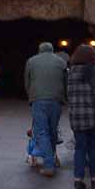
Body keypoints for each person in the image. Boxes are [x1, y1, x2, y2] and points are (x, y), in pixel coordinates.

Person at [68, 45, 95, 189]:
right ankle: (94, 178)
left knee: (80, 148)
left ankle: (78, 179)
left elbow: (70, 95)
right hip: (93, 118)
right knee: (94, 148)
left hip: (76, 118)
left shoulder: (71, 73)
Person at [24, 42, 67, 177]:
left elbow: (27, 81)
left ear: (40, 50)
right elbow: (65, 81)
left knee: (42, 131)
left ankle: (49, 165)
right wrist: (64, 97)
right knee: (52, 130)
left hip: (38, 100)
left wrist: (31, 96)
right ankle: (52, 157)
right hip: (56, 100)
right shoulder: (61, 62)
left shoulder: (31, 61)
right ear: (52, 50)